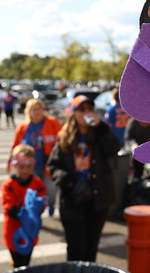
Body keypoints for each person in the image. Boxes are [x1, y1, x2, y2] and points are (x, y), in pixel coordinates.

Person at [47, 95, 121, 262]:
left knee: (91, 248)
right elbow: (53, 166)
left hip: (97, 198)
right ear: (73, 113)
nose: (87, 112)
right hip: (73, 199)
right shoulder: (64, 137)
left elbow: (114, 149)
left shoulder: (100, 133)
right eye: (82, 109)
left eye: (90, 109)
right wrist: (67, 182)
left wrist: (101, 127)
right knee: (76, 248)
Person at [8, 98, 62, 217]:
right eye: (34, 109)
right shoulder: (23, 127)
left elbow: (62, 139)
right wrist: (10, 161)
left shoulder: (52, 122)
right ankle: (34, 211)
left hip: (48, 163)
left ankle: (51, 204)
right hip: (29, 166)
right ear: (29, 111)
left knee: (51, 187)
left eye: (39, 109)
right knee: (32, 190)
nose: (37, 112)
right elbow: (15, 145)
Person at [2, 144, 47, 269]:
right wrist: (22, 213)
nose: (25, 170)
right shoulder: (9, 185)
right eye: (21, 167)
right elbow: (8, 206)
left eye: (29, 166)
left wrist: (39, 207)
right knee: (17, 261)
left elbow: (42, 201)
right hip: (13, 230)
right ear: (14, 165)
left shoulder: (37, 183)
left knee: (26, 261)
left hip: (30, 231)